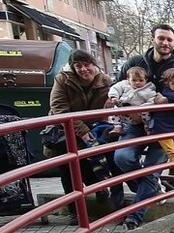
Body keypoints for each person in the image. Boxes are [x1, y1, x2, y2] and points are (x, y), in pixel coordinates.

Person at [112, 24, 174, 230]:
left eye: (169, 40)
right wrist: (126, 109)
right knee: (122, 158)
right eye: (161, 38)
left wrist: (168, 99)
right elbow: (118, 89)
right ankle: (154, 188)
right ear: (153, 39)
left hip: (167, 127)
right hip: (137, 123)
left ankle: (134, 218)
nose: (165, 43)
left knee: (152, 169)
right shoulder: (136, 63)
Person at [46, 50, 122, 223]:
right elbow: (58, 108)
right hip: (66, 131)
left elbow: (111, 106)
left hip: (93, 129)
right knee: (69, 170)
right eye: (78, 66)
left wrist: (110, 112)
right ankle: (76, 211)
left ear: (94, 65)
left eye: (86, 65)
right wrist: (82, 131)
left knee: (92, 163)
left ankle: (99, 189)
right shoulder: (63, 80)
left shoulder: (105, 82)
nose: (83, 69)